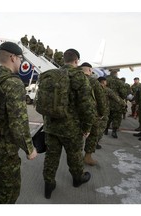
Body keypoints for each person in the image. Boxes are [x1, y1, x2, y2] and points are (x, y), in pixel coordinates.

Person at [0, 41, 37, 204]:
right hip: (4, 149)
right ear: (12, 57)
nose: (21, 62)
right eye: (20, 58)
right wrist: (29, 149)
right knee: (10, 191)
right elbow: (18, 123)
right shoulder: (14, 83)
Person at [43, 49, 95, 199]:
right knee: (74, 155)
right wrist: (87, 127)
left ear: (63, 59)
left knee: (51, 157)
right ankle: (78, 179)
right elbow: (87, 106)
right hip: (71, 128)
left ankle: (48, 184)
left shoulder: (51, 75)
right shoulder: (79, 76)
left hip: (51, 126)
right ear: (77, 61)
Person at [80, 62, 107, 165]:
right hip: (91, 114)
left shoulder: (72, 79)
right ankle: (87, 157)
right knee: (93, 135)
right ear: (90, 70)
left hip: (75, 114)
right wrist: (102, 113)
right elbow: (101, 99)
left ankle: (76, 157)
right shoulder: (93, 81)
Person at [97, 77, 126, 149]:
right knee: (100, 129)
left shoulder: (92, 88)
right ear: (103, 82)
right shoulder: (106, 90)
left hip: (94, 112)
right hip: (103, 112)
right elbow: (117, 98)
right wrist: (124, 104)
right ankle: (95, 143)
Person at [105, 69, 127, 138]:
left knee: (107, 117)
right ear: (116, 74)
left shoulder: (104, 80)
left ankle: (105, 130)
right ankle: (114, 131)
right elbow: (123, 94)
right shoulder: (119, 82)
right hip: (116, 103)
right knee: (116, 118)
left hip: (106, 102)